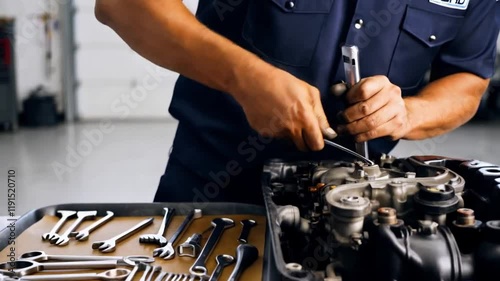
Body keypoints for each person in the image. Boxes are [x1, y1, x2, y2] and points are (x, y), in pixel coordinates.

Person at [94, 0, 499, 205]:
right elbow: (122, 6)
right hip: (215, 190)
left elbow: (467, 78)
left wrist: (410, 113)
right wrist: (244, 77)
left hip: (361, 204)